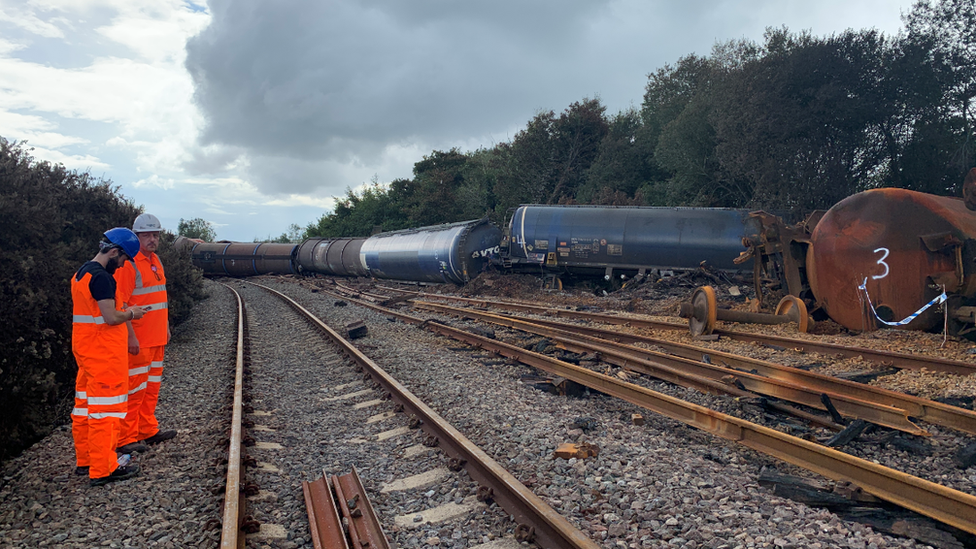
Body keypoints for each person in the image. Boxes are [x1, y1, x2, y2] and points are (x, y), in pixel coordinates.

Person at [71, 228, 147, 486]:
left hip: (86, 350)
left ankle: (87, 460)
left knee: (84, 407)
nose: (124, 264)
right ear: (114, 252)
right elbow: (111, 317)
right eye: (124, 258)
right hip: (104, 354)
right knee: (106, 412)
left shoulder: (82, 272)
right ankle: (104, 469)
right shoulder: (103, 279)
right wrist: (132, 314)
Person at [114, 213, 177, 454]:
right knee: (134, 389)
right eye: (147, 235)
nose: (152, 239)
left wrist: (167, 327)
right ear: (136, 236)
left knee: (151, 388)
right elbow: (121, 303)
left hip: (157, 336)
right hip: (139, 340)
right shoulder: (128, 264)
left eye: (155, 235)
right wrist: (130, 336)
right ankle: (127, 437)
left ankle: (147, 430)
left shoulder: (156, 260)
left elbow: (159, 297)